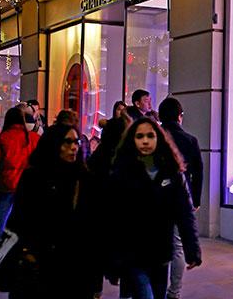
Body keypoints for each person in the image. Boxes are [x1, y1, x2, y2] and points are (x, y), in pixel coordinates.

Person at [108, 117, 202, 299]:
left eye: (150, 136)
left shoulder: (171, 171)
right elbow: (113, 218)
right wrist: (112, 261)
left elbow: (184, 214)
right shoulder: (123, 172)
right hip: (133, 254)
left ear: (158, 139)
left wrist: (192, 249)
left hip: (160, 253)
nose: (145, 141)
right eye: (140, 136)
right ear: (132, 140)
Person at [6, 123, 95, 298]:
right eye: (67, 142)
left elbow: (91, 227)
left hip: (73, 266)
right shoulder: (34, 177)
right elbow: (17, 221)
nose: (73, 147)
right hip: (37, 265)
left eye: (76, 142)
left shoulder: (83, 177)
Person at [158, 96, 204, 299]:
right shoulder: (190, 140)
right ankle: (174, 291)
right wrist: (195, 200)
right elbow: (198, 173)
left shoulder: (154, 138)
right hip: (179, 198)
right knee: (177, 246)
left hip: (156, 198)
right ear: (179, 116)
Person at [0, 107, 40, 245]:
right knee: (27, 216)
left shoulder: (0, 139)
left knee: (2, 215)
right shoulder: (33, 139)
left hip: (7, 184)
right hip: (28, 184)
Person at [87, 110, 132, 299]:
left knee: (95, 268)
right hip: (122, 227)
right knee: (128, 273)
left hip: (97, 224)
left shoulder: (96, 159)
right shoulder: (129, 161)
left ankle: (96, 293)